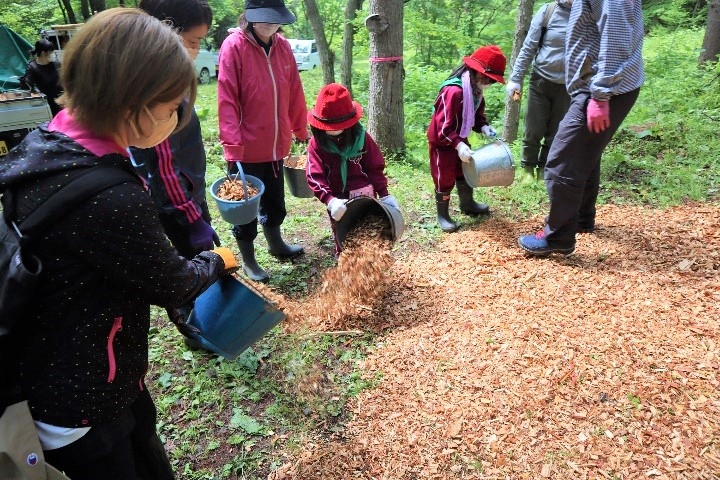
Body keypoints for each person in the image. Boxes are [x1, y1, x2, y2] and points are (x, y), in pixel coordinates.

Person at [0, 8, 238, 479]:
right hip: (81, 402)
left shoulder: (46, 146)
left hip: (70, 368)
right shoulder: (110, 196)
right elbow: (172, 283)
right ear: (137, 105)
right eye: (172, 107)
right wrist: (217, 258)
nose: (177, 117)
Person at [518, 0, 644, 255]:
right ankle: (582, 219)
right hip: (602, 87)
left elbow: (616, 36)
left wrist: (600, 95)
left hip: (602, 90)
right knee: (584, 156)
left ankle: (558, 237)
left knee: (561, 161)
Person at [129, 0, 218, 348]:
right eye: (193, 42)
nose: (196, 52)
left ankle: (202, 320)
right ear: (166, 34)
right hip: (176, 202)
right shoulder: (160, 89)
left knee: (195, 265)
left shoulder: (163, 77)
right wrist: (191, 214)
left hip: (184, 193)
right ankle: (198, 330)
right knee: (188, 272)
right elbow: (164, 161)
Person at [217, 0, 310, 283]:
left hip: (276, 145)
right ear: (249, 17)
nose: (270, 25)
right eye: (263, 19)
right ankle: (248, 259)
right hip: (246, 148)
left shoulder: (282, 46)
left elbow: (294, 89)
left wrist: (300, 129)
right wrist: (232, 145)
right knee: (245, 209)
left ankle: (276, 243)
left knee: (275, 201)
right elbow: (227, 99)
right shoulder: (234, 47)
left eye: (275, 19)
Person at [305, 83, 399, 256]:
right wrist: (330, 200)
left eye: (339, 127)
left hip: (366, 196)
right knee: (343, 231)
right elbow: (314, 175)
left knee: (371, 229)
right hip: (338, 199)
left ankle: (373, 262)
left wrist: (384, 193)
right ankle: (344, 257)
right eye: (329, 128)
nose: (333, 132)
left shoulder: (361, 138)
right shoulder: (317, 144)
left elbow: (374, 167)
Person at [427, 45, 507, 233]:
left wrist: (484, 127)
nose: (489, 84)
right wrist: (457, 144)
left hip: (459, 140)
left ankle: (467, 203)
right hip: (443, 144)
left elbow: (477, 116)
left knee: (465, 170)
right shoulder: (453, 92)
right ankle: (443, 215)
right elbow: (442, 127)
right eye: (488, 79)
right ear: (477, 72)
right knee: (444, 178)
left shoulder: (475, 92)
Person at [506, 0, 572, 183]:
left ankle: (545, 168)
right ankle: (527, 167)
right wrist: (516, 79)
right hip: (541, 80)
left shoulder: (586, 14)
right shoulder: (548, 11)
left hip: (568, 85)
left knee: (557, 130)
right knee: (534, 127)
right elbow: (528, 47)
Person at [22, 38, 63, 116]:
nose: (53, 54)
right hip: (48, 105)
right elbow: (28, 86)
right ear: (44, 53)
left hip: (63, 102)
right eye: (51, 52)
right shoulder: (33, 67)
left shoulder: (57, 64)